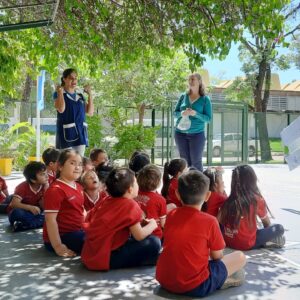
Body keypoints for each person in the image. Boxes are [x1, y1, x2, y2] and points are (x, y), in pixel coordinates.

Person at [156, 170, 246, 297]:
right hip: (194, 287)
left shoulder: (171, 215)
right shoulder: (210, 221)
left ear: (177, 194)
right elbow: (217, 257)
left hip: (164, 280)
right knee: (240, 257)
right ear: (208, 196)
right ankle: (221, 280)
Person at [81, 167, 161, 271]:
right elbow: (139, 235)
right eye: (136, 182)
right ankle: (143, 260)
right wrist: (153, 224)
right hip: (107, 258)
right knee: (154, 242)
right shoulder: (130, 204)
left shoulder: (106, 199)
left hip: (90, 253)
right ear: (130, 189)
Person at [218, 165, 285, 250]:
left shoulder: (228, 200)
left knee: (254, 229)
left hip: (228, 241)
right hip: (247, 244)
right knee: (279, 228)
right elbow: (266, 223)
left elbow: (218, 221)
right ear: (252, 180)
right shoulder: (257, 200)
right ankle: (267, 242)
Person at [43, 149, 85, 257]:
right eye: (72, 163)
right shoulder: (56, 190)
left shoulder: (79, 186)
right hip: (63, 236)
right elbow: (50, 219)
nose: (77, 167)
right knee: (96, 241)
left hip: (78, 231)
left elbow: (81, 210)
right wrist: (58, 246)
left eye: (80, 164)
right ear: (60, 166)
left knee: (102, 234)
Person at [174, 73, 212, 171]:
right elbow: (174, 113)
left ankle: (199, 185)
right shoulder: (183, 96)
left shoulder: (205, 99)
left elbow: (208, 119)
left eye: (193, 79)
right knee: (184, 163)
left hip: (197, 135)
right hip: (180, 134)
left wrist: (196, 114)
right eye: (189, 79)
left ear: (199, 82)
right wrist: (182, 113)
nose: (190, 81)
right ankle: (186, 185)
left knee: (196, 162)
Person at [54, 68, 94, 156]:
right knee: (66, 161)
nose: (74, 80)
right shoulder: (59, 93)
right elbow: (61, 109)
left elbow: (90, 112)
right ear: (64, 79)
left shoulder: (80, 96)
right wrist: (60, 92)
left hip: (80, 134)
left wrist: (90, 94)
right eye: (71, 78)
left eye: (75, 78)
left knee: (79, 162)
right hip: (66, 134)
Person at [8, 162, 48, 232]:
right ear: (33, 180)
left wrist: (47, 191)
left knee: (51, 216)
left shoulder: (45, 186)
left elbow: (46, 207)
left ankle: (23, 225)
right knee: (17, 213)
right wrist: (30, 207)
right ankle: (31, 224)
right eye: (42, 174)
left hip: (37, 214)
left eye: (46, 173)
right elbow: (13, 204)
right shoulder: (22, 187)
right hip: (24, 213)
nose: (46, 176)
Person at [136, 164, 167, 240]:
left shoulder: (135, 194)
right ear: (159, 182)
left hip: (136, 231)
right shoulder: (160, 199)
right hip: (154, 235)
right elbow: (163, 224)